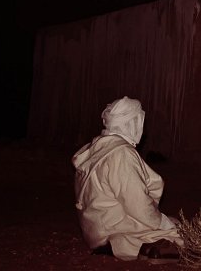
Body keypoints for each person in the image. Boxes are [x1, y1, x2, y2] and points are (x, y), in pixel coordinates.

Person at [72, 96, 184, 261]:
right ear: (131, 122)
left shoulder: (96, 148)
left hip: (95, 230)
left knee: (170, 222)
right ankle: (139, 246)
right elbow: (135, 201)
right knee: (182, 234)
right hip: (115, 228)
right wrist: (161, 222)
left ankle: (131, 245)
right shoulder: (121, 153)